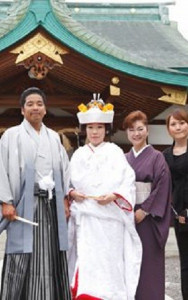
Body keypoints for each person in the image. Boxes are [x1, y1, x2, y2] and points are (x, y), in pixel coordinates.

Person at [0, 87, 71, 300]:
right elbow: (1, 168)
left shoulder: (53, 137)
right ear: (22, 110)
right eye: (30, 104)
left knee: (50, 254)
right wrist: (6, 201)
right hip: (24, 206)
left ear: (45, 109)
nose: (35, 108)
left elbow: (64, 169)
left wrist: (65, 199)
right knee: (22, 256)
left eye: (39, 104)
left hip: (51, 206)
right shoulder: (12, 136)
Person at [68, 96, 142, 300]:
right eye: (90, 127)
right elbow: (68, 183)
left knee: (110, 264)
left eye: (99, 127)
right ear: (85, 129)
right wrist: (73, 193)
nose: (94, 132)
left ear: (106, 129)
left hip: (110, 219)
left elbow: (128, 181)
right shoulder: (79, 155)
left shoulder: (115, 152)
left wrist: (113, 196)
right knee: (87, 261)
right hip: (87, 218)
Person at [123, 110, 171, 300]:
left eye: (140, 129)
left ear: (147, 130)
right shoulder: (123, 158)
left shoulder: (157, 157)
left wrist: (145, 209)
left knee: (148, 261)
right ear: (127, 133)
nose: (136, 133)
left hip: (148, 218)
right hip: (126, 216)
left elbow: (163, 185)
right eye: (131, 129)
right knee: (128, 261)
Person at [163, 108, 188, 300]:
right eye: (173, 124)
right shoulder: (165, 155)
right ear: (168, 129)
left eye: (182, 122)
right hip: (180, 217)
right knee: (186, 263)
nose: (178, 127)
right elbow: (164, 187)